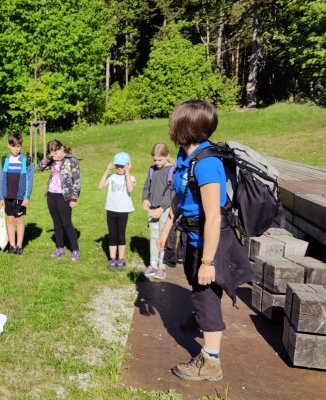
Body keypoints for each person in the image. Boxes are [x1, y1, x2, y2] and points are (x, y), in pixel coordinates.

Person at [157, 99, 252, 381]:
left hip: (211, 240)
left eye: (174, 120)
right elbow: (179, 196)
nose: (170, 124)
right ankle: (200, 319)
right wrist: (166, 229)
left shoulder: (208, 163)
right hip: (193, 235)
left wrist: (209, 262)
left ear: (185, 125)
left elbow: (213, 217)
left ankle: (210, 362)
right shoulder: (186, 156)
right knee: (195, 285)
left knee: (206, 295)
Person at [38, 140, 82, 261]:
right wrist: (48, 157)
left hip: (65, 196)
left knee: (66, 223)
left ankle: (75, 249)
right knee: (56, 223)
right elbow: (39, 167)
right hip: (51, 195)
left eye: (57, 152)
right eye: (52, 153)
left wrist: (74, 197)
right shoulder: (51, 160)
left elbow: (77, 180)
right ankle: (60, 248)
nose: (55, 156)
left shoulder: (71, 160)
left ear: (62, 148)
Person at [142, 143, 175, 279]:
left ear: (167, 156)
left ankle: (162, 266)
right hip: (152, 209)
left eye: (159, 160)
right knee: (154, 236)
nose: (156, 162)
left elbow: (172, 192)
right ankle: (153, 264)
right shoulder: (152, 170)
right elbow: (146, 187)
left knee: (163, 236)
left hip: (165, 209)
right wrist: (145, 199)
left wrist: (161, 208)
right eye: (154, 160)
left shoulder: (172, 171)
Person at [98, 151, 135, 270]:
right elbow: (100, 186)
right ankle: (113, 259)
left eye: (122, 166)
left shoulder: (130, 178)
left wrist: (127, 172)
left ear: (127, 165)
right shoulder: (112, 177)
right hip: (111, 210)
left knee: (121, 235)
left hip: (123, 211)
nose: (119, 168)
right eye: (117, 166)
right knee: (112, 235)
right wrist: (107, 171)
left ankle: (121, 259)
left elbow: (130, 189)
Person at [0, 133, 34, 255]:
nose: (16, 148)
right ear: (9, 145)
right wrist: (1, 196)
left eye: (18, 146)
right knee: (10, 220)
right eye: (13, 146)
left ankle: (19, 246)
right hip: (8, 196)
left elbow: (29, 180)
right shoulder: (5, 160)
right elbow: (2, 179)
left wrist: (26, 197)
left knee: (19, 220)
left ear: (21, 146)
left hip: (20, 197)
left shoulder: (25, 160)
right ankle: (12, 246)